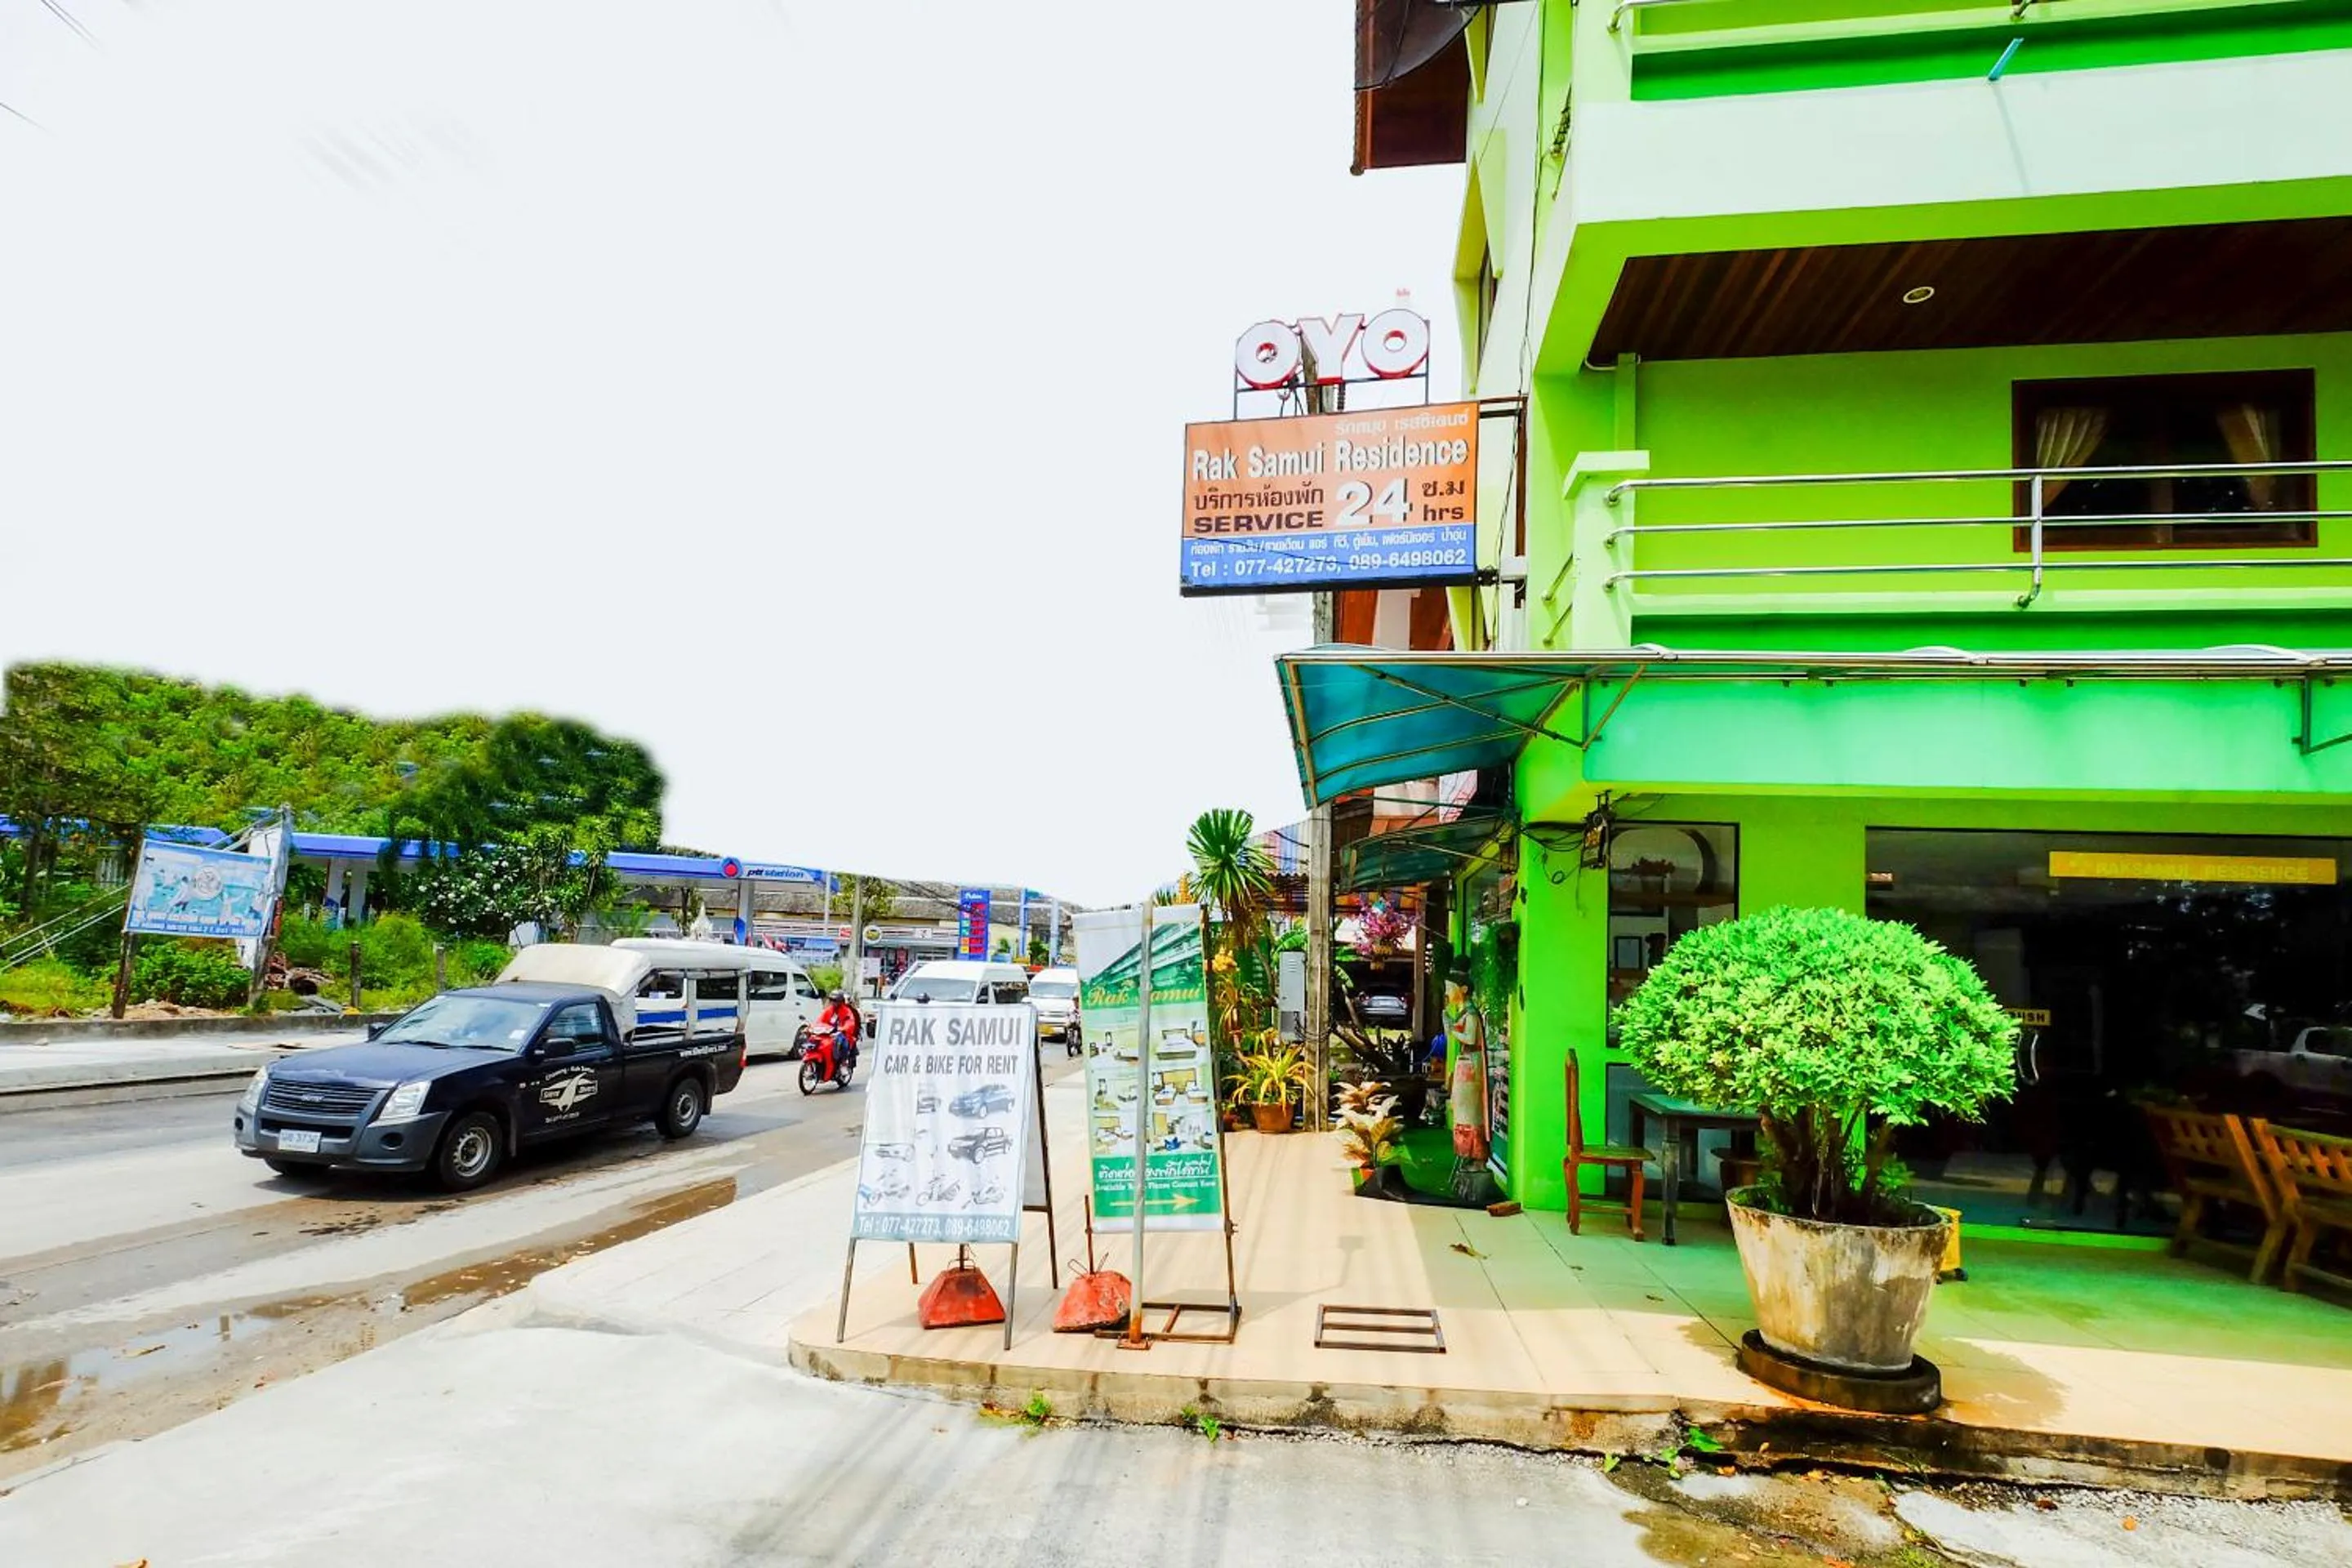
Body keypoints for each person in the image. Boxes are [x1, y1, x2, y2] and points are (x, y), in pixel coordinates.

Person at [818, 989, 861, 1067]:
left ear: (841, 1001)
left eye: (836, 1000)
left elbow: (850, 1023)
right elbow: (820, 1021)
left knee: (841, 1042)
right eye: (832, 1000)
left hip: (844, 1034)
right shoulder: (828, 1010)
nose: (833, 1002)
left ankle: (843, 1062)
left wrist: (842, 1028)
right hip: (828, 1033)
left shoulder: (847, 1011)